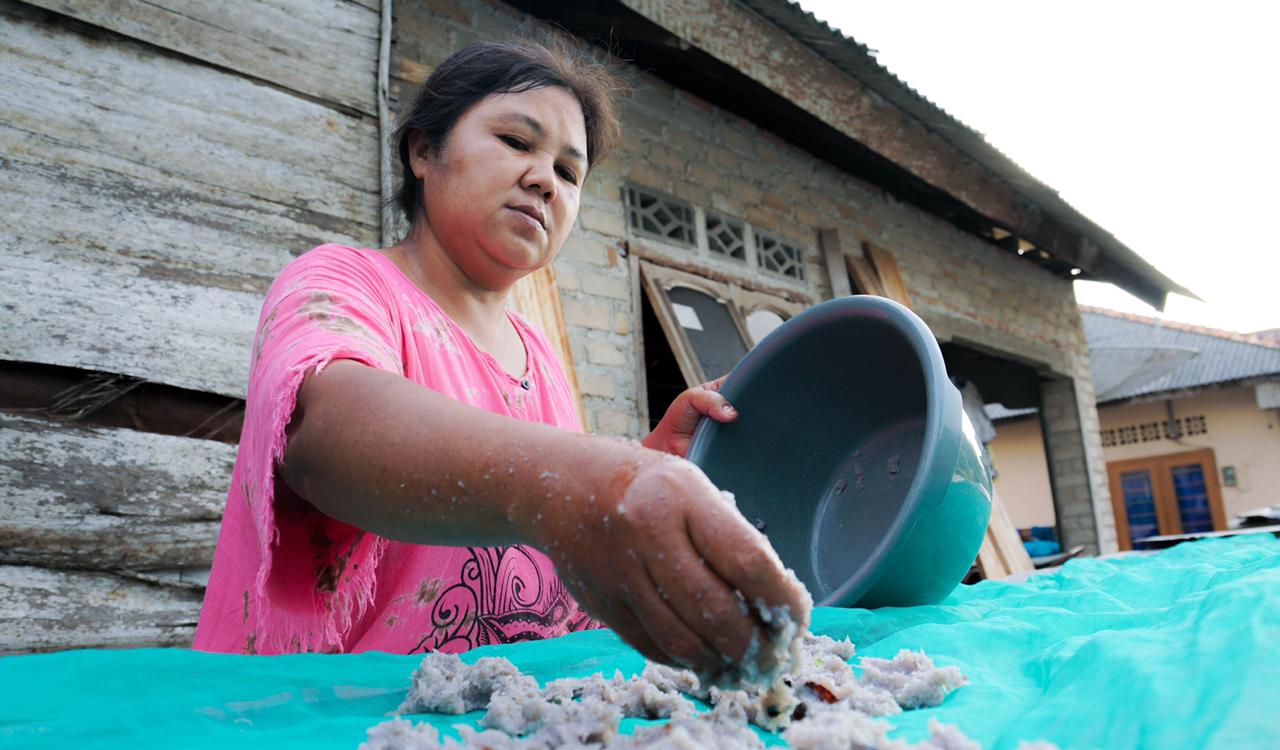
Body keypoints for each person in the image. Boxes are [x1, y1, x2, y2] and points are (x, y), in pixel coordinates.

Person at [193, 39, 810, 682]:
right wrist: (579, 477)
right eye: (518, 142)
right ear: (424, 151)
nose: (546, 179)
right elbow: (321, 434)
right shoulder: (341, 283)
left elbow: (544, 561)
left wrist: (646, 464)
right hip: (322, 717)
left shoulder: (537, 354)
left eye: (570, 173)